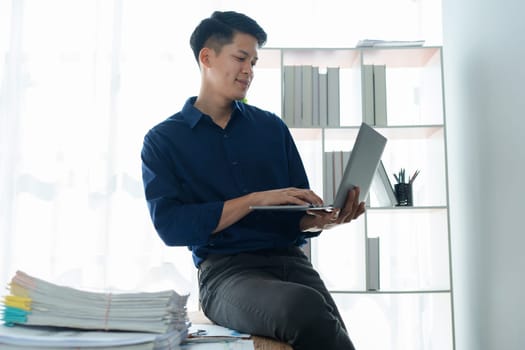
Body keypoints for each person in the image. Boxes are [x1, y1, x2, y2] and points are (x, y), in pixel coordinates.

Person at [141, 10, 365, 350]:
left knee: (331, 328)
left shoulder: (272, 127)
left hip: (291, 262)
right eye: (241, 58)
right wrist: (253, 200)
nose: (249, 71)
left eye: (254, 62)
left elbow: (299, 215)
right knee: (304, 308)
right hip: (227, 275)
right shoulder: (163, 140)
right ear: (207, 57)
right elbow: (171, 227)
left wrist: (326, 219)